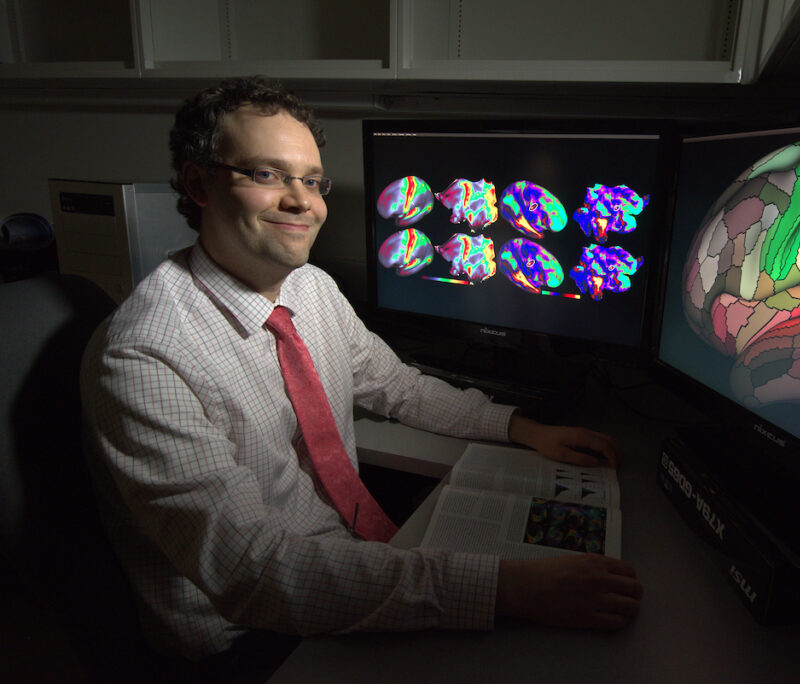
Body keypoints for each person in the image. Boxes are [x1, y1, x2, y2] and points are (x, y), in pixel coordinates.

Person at [80, 76, 643, 670]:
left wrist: (520, 428)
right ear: (199, 183)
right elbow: (252, 573)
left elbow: (396, 386)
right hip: (246, 635)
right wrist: (511, 589)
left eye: (311, 180)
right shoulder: (145, 356)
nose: (302, 201)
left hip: (339, 548)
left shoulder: (310, 287)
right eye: (266, 175)